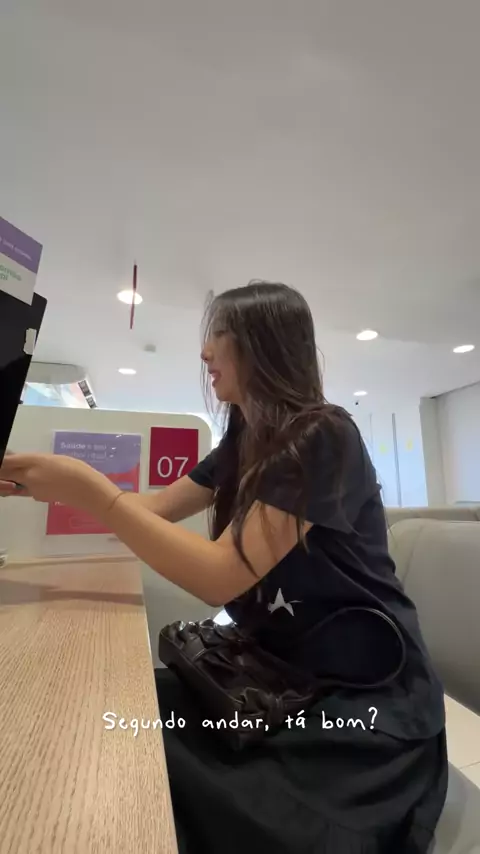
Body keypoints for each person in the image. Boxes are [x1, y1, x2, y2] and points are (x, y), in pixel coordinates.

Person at [0, 281, 447, 853]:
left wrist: (91, 492)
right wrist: (57, 485)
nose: (205, 351)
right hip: (276, 681)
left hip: (359, 703)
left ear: (264, 343)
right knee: (118, 717)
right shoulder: (244, 438)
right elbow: (154, 509)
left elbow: (218, 575)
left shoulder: (323, 435)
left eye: (219, 334)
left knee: (153, 765)